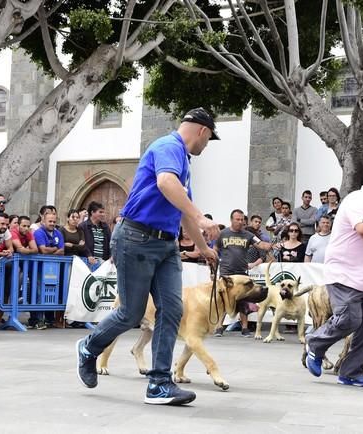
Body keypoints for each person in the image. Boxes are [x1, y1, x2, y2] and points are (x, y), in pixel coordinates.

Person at [75, 107, 220, 406]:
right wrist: (203, 218)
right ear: (202, 131)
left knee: (171, 310)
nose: (207, 145)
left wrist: (203, 248)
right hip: (136, 238)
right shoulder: (168, 147)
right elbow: (166, 183)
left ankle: (159, 384)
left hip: (166, 245)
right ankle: (89, 348)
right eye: (209, 139)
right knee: (131, 312)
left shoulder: (184, 161)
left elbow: (182, 209)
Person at [305, 167, 363, 388]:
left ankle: (351, 372)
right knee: (350, 319)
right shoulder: (359, 199)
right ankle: (315, 344)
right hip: (345, 274)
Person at [214, 209, 272, 337]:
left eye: (242, 220)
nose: (240, 222)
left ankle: (245, 328)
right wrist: (212, 265)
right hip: (226, 273)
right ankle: (219, 326)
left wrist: (272, 245)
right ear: (231, 220)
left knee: (243, 300)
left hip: (241, 273)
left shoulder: (248, 235)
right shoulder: (222, 233)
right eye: (237, 219)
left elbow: (261, 245)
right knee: (224, 300)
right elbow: (215, 249)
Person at [79, 200, 111, 268]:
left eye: (103, 212)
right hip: (88, 262)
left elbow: (110, 243)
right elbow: (82, 244)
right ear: (92, 212)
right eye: (100, 212)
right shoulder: (83, 226)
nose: (103, 214)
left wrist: (111, 256)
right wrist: (89, 255)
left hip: (103, 263)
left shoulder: (105, 227)